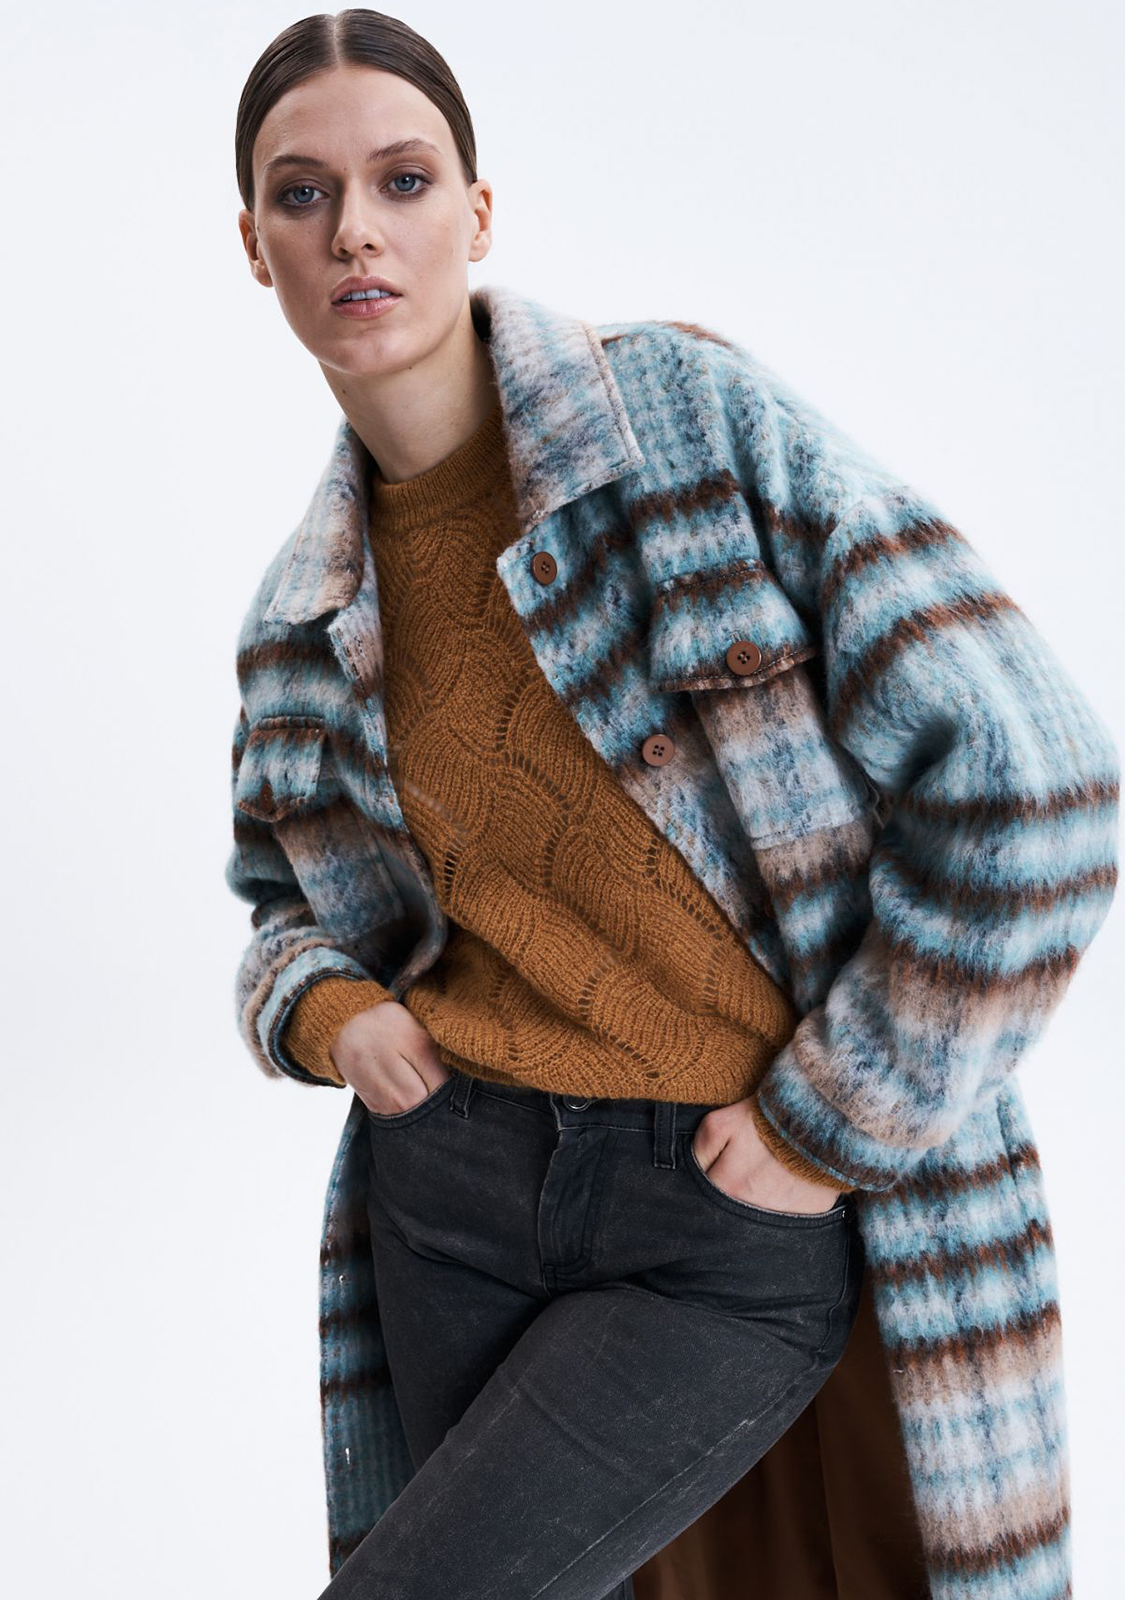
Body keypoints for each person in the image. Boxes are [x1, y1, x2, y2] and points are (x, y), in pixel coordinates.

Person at [227, 12, 1119, 1600]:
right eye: (303, 195)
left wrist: (834, 1119)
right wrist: (326, 1009)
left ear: (477, 214)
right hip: (452, 1192)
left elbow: (1040, 781)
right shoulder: (300, 617)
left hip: (726, 1206)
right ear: (256, 248)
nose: (353, 229)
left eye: (402, 180)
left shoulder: (688, 426)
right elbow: (280, 902)